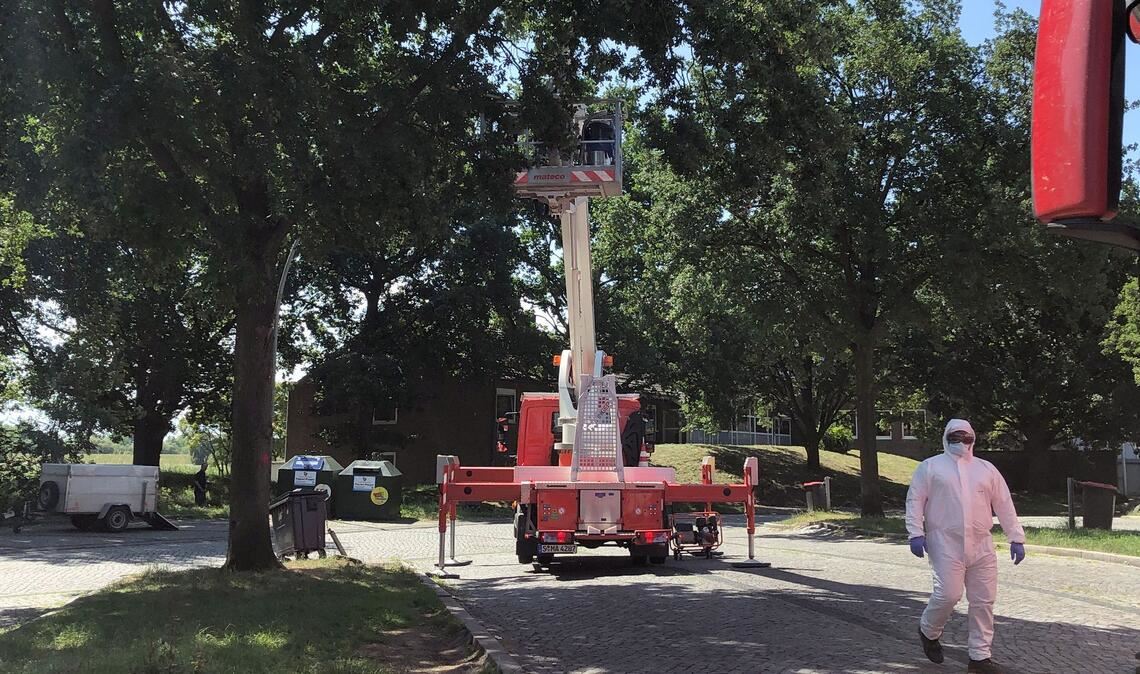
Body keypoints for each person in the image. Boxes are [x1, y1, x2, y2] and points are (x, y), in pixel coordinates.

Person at [905, 419, 1025, 674]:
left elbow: (1003, 503)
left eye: (966, 437)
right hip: (944, 542)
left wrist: (1016, 536)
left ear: (974, 438)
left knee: (983, 601)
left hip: (982, 543)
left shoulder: (986, 469)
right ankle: (928, 630)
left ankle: (980, 658)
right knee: (948, 594)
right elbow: (915, 500)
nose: (961, 442)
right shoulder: (930, 467)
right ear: (946, 437)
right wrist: (915, 532)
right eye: (956, 436)